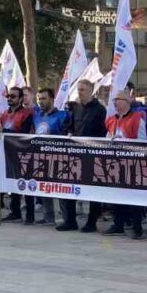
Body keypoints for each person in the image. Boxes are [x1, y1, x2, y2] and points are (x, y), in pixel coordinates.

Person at [57, 78, 105, 232]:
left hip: (92, 155)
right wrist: (69, 133)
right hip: (74, 155)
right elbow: (69, 127)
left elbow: (103, 132)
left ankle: (91, 222)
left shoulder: (99, 110)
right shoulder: (75, 108)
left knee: (93, 191)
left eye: (82, 90)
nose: (79, 92)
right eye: (78, 90)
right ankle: (70, 221)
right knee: (68, 187)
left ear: (91, 91)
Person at [103, 91, 147, 239]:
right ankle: (118, 225)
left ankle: (137, 228)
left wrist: (124, 142)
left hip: (132, 163)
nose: (115, 103)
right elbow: (106, 139)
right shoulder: (110, 120)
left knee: (134, 198)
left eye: (118, 100)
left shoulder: (137, 118)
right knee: (116, 197)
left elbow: (143, 141)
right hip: (115, 163)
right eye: (114, 100)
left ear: (127, 101)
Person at [31, 87, 69, 225]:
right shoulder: (36, 116)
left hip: (58, 157)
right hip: (41, 157)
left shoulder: (63, 115)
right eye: (39, 99)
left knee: (61, 189)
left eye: (44, 98)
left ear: (52, 100)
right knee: (44, 187)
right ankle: (48, 216)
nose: (41, 101)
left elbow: (67, 134)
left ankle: (66, 218)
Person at [0, 86, 35, 223]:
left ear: (20, 99)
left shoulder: (27, 113)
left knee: (26, 184)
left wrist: (5, 131)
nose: (9, 98)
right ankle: (15, 212)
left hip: (24, 153)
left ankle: (30, 215)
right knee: (12, 183)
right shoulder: (3, 115)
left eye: (13, 96)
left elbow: (24, 133)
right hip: (8, 153)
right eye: (8, 96)